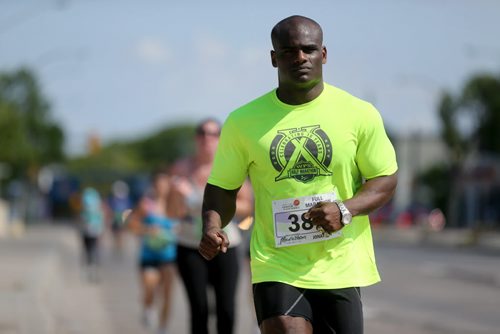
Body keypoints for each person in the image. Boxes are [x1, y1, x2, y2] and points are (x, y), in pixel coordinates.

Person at [198, 15, 398, 334]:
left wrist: (345, 210)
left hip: (340, 262)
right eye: (289, 51)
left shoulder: (359, 113)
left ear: (324, 54)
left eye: (309, 49)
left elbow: (385, 179)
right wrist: (212, 225)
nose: (301, 57)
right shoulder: (243, 121)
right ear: (274, 58)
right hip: (276, 262)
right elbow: (222, 187)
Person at [168, 118, 253, 334]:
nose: (207, 138)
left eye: (213, 133)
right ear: (196, 138)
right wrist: (177, 197)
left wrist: (196, 200)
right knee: (199, 308)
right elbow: (171, 212)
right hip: (190, 245)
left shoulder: (229, 164)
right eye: (202, 133)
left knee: (226, 308)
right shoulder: (181, 168)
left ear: (220, 138)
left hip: (226, 244)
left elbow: (246, 206)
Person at [127, 170, 177, 334]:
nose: (161, 188)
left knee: (167, 294)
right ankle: (148, 307)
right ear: (153, 186)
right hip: (149, 255)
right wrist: (147, 229)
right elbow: (131, 225)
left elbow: (186, 225)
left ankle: (163, 328)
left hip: (169, 256)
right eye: (158, 184)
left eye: (164, 184)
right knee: (150, 286)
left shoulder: (175, 207)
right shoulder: (146, 204)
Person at [79, 186, 105, 283]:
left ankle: (90, 270)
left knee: (88, 251)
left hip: (89, 231)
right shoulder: (97, 208)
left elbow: (81, 220)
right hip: (94, 232)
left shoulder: (85, 209)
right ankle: (94, 271)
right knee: (94, 251)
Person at [108, 180, 132, 255]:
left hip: (122, 219)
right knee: (116, 234)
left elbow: (128, 210)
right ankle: (117, 247)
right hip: (116, 219)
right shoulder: (113, 199)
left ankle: (120, 247)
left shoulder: (126, 199)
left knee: (121, 234)